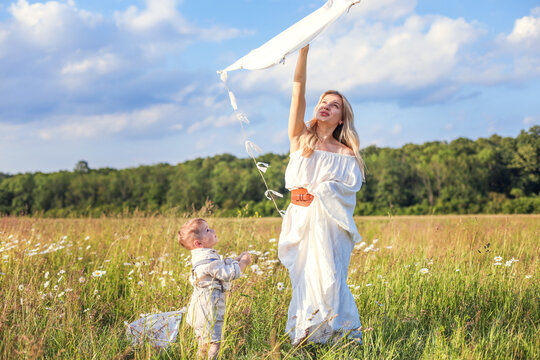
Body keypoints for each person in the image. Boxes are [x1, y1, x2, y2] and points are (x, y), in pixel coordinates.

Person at [278, 44, 366, 346]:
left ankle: (338, 336)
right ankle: (303, 338)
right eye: (323, 102)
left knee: (330, 280)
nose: (325, 107)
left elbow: (346, 195)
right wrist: (303, 51)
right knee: (305, 281)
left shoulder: (347, 154)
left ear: (341, 118)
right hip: (301, 221)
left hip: (330, 225)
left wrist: (324, 191)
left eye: (334, 105)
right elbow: (297, 93)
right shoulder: (301, 138)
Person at [178, 218, 252, 359]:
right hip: (209, 307)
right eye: (207, 230)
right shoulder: (207, 260)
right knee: (214, 342)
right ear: (198, 243)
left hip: (199, 306)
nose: (213, 230)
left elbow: (219, 266)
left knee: (203, 342)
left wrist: (234, 260)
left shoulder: (202, 257)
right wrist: (243, 263)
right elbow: (228, 274)